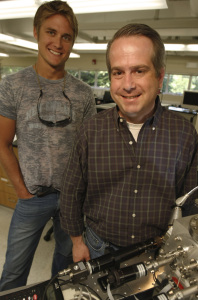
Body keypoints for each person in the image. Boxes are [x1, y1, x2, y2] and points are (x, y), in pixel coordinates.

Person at [60, 23, 198, 263]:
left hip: (157, 253)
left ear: (160, 76)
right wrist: (77, 242)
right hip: (97, 249)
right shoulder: (90, 130)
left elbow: (190, 201)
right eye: (118, 72)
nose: (127, 84)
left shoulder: (184, 134)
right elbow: (72, 192)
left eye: (139, 71)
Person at [0, 0, 96, 291]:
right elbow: (2, 143)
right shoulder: (13, 85)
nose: (58, 42)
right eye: (51, 32)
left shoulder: (83, 93)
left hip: (72, 200)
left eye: (66, 36)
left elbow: (90, 150)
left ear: (72, 42)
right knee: (13, 274)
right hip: (33, 198)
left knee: (66, 272)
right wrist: (21, 190)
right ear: (36, 32)